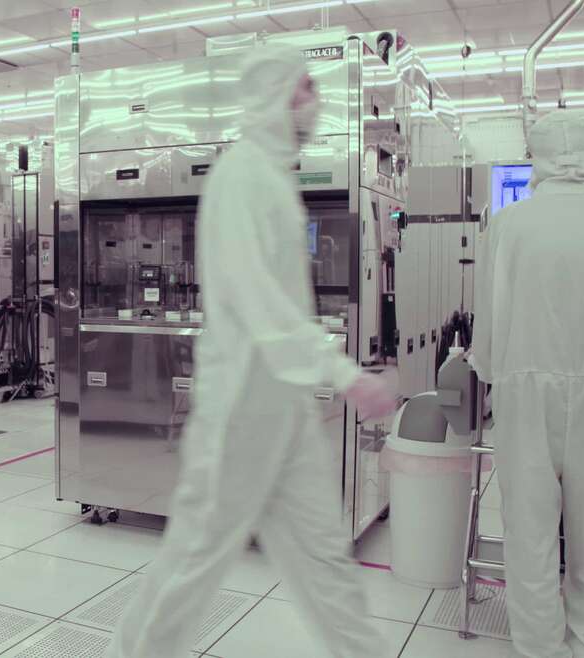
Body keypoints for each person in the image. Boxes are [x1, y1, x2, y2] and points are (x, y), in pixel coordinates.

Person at [105, 45, 399, 658]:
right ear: (274, 95)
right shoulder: (242, 175)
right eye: (305, 88)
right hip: (240, 407)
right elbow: (259, 299)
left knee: (324, 558)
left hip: (282, 408)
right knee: (194, 563)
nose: (314, 102)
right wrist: (344, 373)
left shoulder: (273, 177)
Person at [469, 111, 584, 658]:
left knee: (530, 534)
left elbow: (488, 323)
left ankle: (539, 646)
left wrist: (489, 368)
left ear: (538, 158)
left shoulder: (508, 225)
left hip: (525, 393)